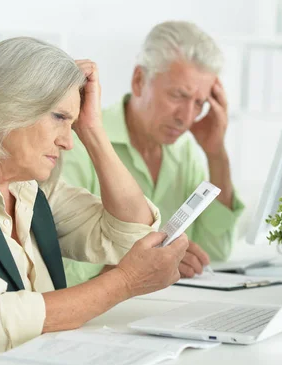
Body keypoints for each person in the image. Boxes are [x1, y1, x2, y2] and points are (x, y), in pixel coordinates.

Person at [0, 37, 188, 365]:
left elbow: (130, 235)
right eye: (59, 117)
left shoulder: (29, 189)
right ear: (7, 105)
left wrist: (93, 131)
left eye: (73, 124)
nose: (68, 141)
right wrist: (126, 282)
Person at [62, 21, 244, 287]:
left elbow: (216, 252)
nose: (186, 117)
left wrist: (216, 153)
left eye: (199, 103)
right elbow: (61, 275)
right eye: (178, 95)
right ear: (139, 81)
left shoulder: (184, 152)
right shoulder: (77, 144)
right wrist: (144, 267)